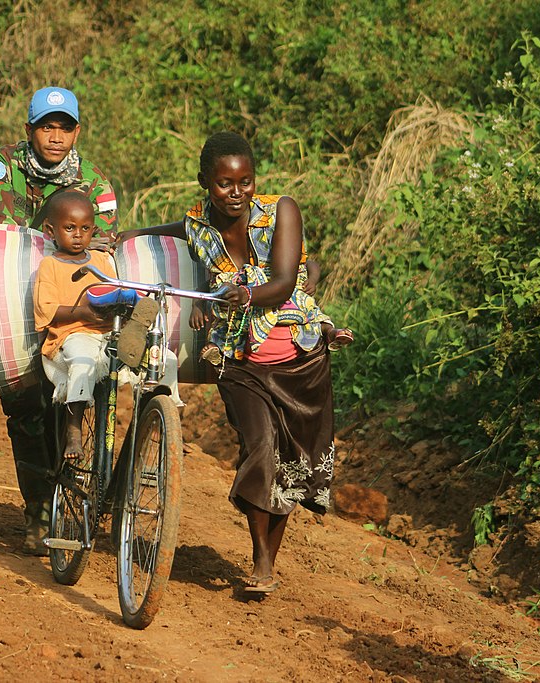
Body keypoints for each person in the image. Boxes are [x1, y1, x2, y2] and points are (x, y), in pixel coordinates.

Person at [120, 131, 353, 594]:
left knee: (292, 463)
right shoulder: (199, 225)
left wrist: (240, 293)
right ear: (204, 181)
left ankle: (263, 562)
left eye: (245, 182)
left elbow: (285, 281)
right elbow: (172, 230)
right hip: (239, 358)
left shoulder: (281, 211)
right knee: (261, 447)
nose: (237, 193)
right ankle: (261, 557)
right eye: (225, 183)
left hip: (300, 359)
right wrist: (130, 235)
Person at [0, 87, 119, 554]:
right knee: (26, 411)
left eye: (64, 127)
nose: (55, 136)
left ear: (76, 131)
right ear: (29, 130)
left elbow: (100, 252)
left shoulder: (95, 186)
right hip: (12, 309)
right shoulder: (0, 170)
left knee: (86, 400)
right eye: (46, 126)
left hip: (71, 315)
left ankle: (89, 498)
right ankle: (39, 510)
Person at [32, 193, 116, 459]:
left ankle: (161, 419)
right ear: (50, 230)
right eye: (69, 228)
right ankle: (73, 432)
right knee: (82, 361)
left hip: (105, 333)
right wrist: (83, 313)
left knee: (158, 355)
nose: (78, 235)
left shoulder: (102, 261)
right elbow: (45, 310)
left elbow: (113, 292)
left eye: (85, 228)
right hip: (70, 336)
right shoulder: (50, 265)